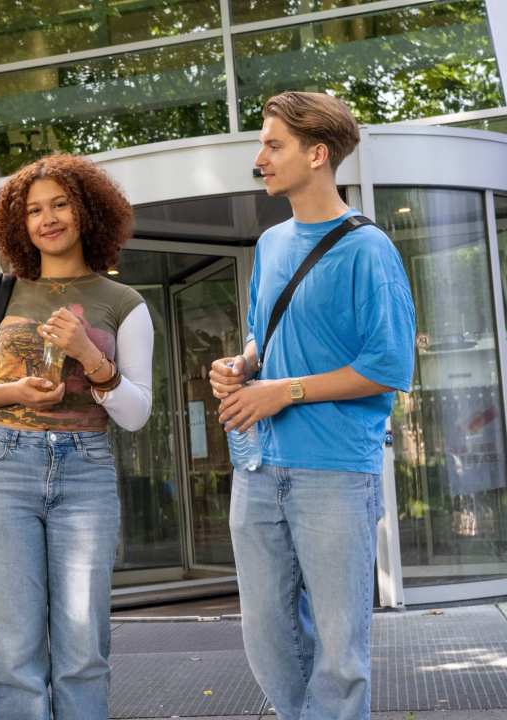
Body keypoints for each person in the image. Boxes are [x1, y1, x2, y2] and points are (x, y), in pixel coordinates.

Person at [209, 92, 416, 720]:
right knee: (268, 640)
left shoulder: (367, 249)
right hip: (258, 466)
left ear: (317, 154)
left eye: (274, 145)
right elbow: (261, 334)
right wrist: (242, 365)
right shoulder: (271, 244)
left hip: (334, 471)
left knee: (338, 650)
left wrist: (285, 390)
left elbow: (388, 367)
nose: (260, 158)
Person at [0, 153, 153, 719]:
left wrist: (90, 356)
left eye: (60, 204)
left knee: (83, 650)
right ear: (20, 224)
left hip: (85, 469)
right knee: (12, 651)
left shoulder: (124, 304)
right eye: (34, 210)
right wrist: (8, 393)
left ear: (86, 211)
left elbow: (136, 413)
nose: (48, 218)